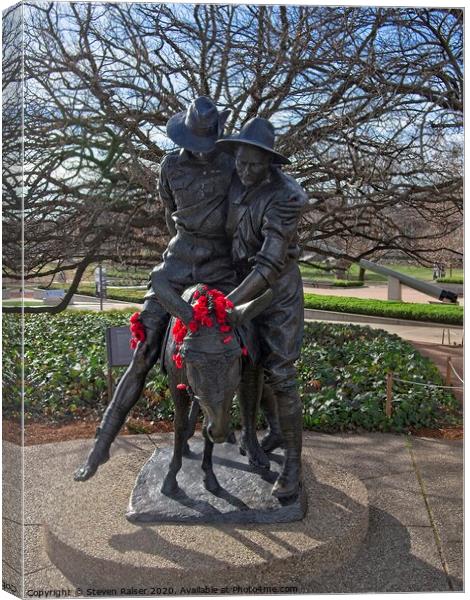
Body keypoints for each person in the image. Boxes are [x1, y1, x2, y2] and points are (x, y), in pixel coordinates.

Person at [74, 97, 239, 481]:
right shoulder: (169, 165)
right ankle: (101, 447)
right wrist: (183, 255)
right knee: (144, 351)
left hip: (220, 267)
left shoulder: (232, 163)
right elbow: (170, 214)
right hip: (178, 262)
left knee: (239, 342)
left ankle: (247, 430)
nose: (200, 151)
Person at [216, 117, 307, 499]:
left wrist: (225, 303)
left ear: (270, 162)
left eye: (254, 164)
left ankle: (293, 465)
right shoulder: (236, 179)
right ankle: (267, 431)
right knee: (250, 363)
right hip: (240, 284)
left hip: (277, 293)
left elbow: (269, 265)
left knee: (280, 373)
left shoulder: (286, 197)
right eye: (241, 162)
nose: (245, 170)